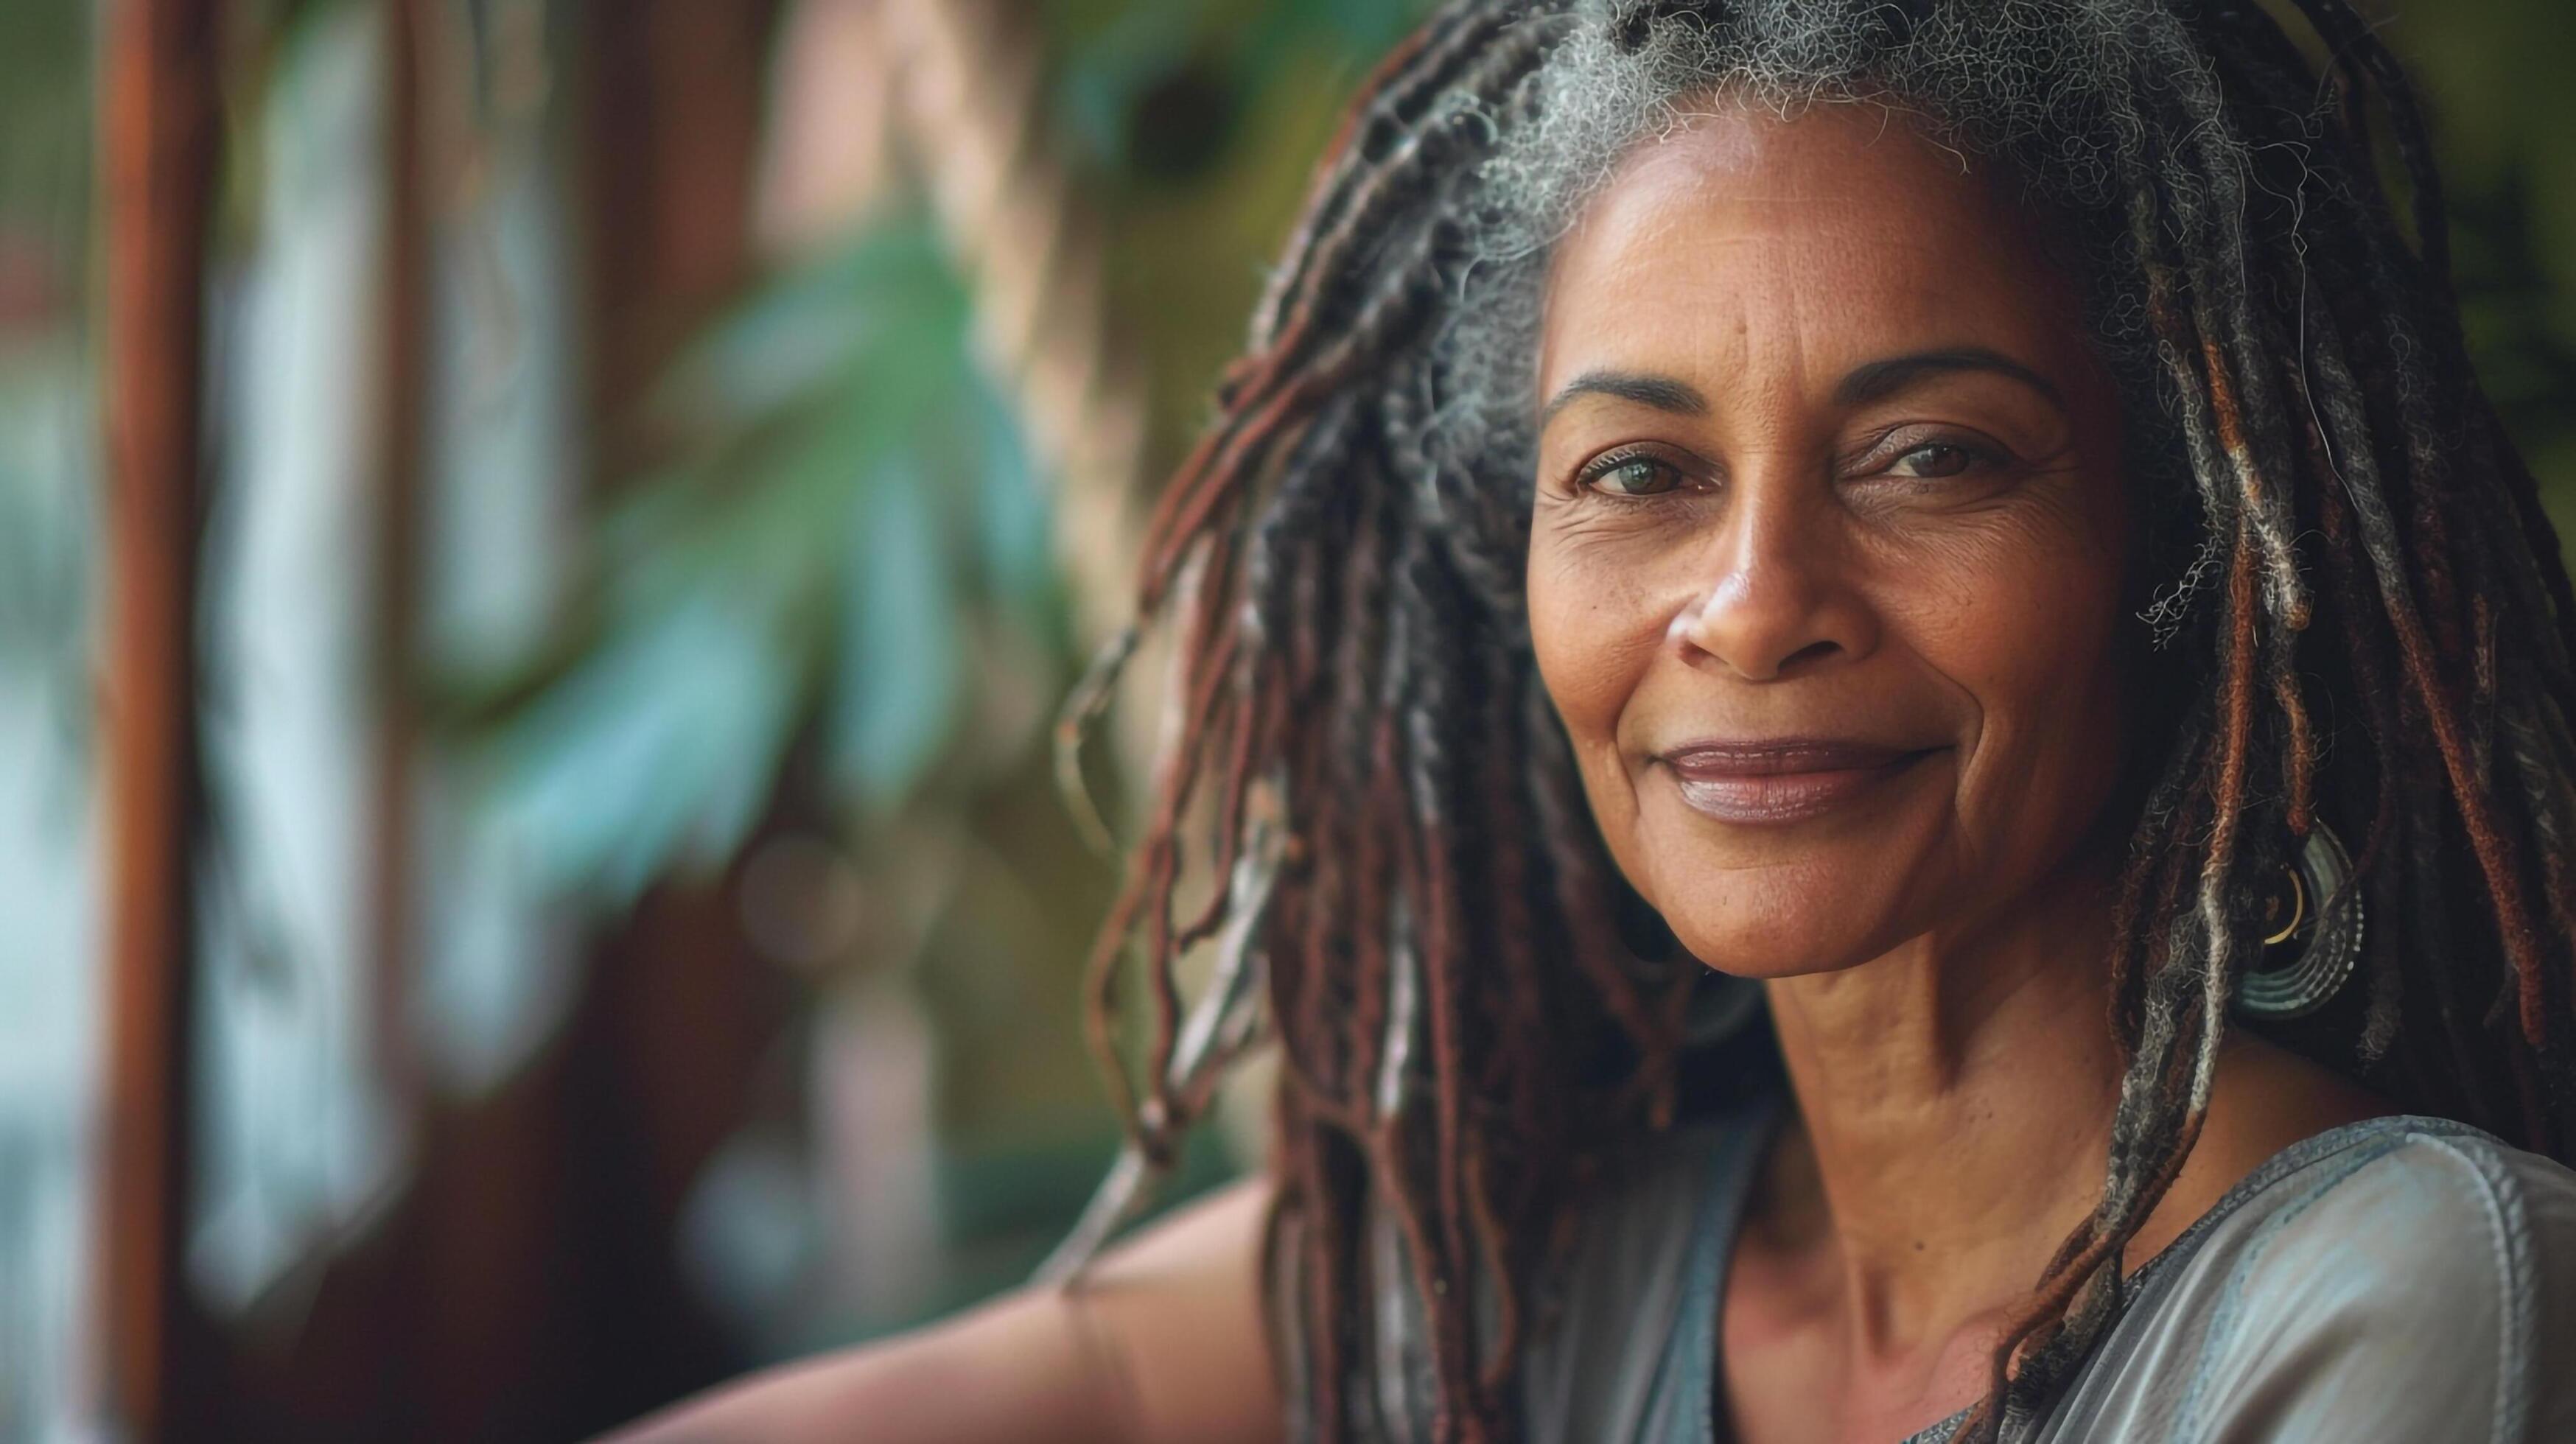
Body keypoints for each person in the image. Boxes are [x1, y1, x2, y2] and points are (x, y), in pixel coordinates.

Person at [603, 1, 2576, 1440]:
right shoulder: (1561, 1262)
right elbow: (1098, 1382)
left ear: (2182, 551)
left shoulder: (2404, 1300)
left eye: (1931, 458)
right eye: (1639, 475)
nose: (1755, 603)